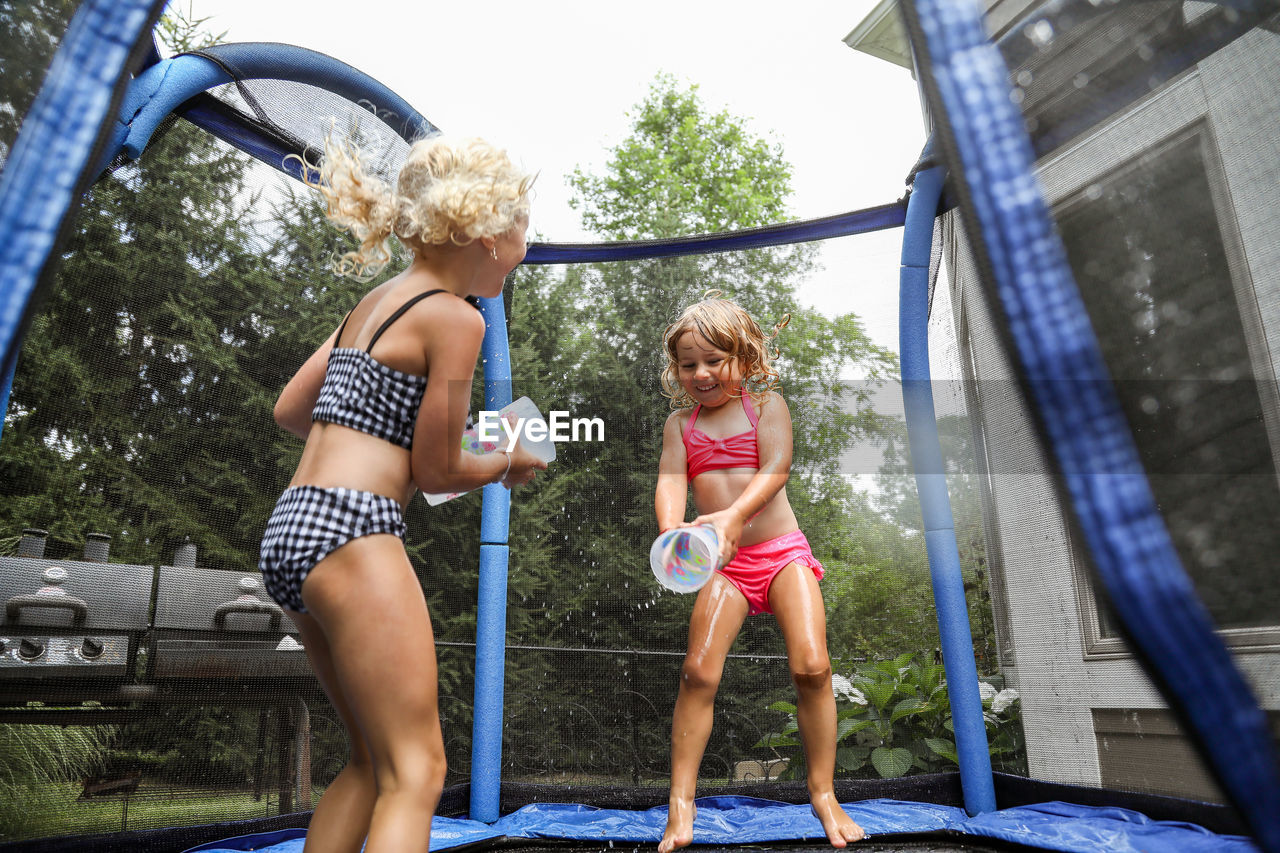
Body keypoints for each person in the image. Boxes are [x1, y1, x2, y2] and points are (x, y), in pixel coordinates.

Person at [259, 134, 546, 853]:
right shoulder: (457, 318)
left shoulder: (375, 300)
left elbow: (293, 411)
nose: (524, 246)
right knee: (417, 769)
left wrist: (383, 435)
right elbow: (443, 468)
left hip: (292, 528)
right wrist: (507, 454)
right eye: (522, 229)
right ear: (485, 231)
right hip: (354, 531)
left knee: (370, 760)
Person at [654, 295, 865, 851]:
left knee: (813, 667)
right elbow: (671, 482)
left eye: (714, 360)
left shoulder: (766, 407)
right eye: (688, 363)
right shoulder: (681, 424)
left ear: (744, 359)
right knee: (698, 673)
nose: (700, 373)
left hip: (780, 554)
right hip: (725, 567)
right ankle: (681, 805)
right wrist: (673, 529)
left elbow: (776, 467)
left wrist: (731, 515)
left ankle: (823, 794)